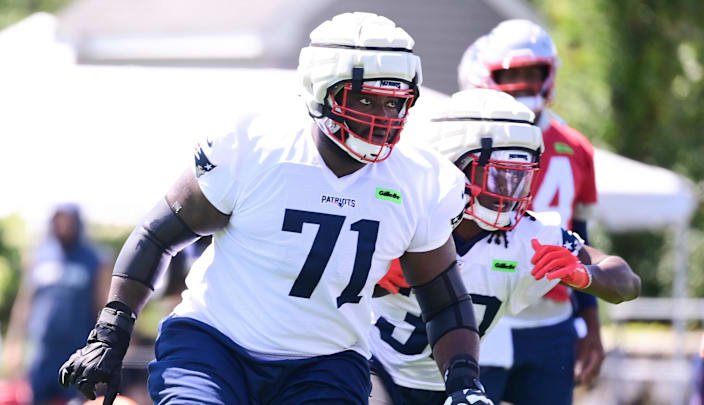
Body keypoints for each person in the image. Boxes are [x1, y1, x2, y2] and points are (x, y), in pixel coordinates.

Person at [58, 12, 491, 405]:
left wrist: (465, 383)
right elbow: (158, 234)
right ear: (320, 90)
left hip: (326, 363)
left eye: (394, 102)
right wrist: (111, 331)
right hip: (216, 344)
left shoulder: (422, 180)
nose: (383, 115)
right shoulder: (256, 148)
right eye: (365, 99)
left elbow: (443, 298)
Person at [369, 88, 641, 405]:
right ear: (454, 167)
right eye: (500, 176)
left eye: (520, 178)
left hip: (457, 384)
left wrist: (585, 275)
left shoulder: (531, 237)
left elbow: (626, 281)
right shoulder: (401, 216)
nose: (510, 192)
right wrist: (367, 263)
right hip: (374, 368)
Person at [457, 19, 605, 404]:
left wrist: (591, 326)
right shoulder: (469, 137)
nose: (523, 81)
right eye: (512, 72)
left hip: (551, 315)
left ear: (549, 74)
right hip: (484, 309)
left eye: (533, 71)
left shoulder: (576, 146)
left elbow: (581, 236)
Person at [2, 204, 110, 404]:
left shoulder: (94, 259)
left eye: (67, 220)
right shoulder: (40, 256)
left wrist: (103, 348)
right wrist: (14, 343)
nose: (63, 226)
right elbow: (24, 303)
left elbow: (102, 308)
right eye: (59, 220)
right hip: (42, 353)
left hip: (77, 352)